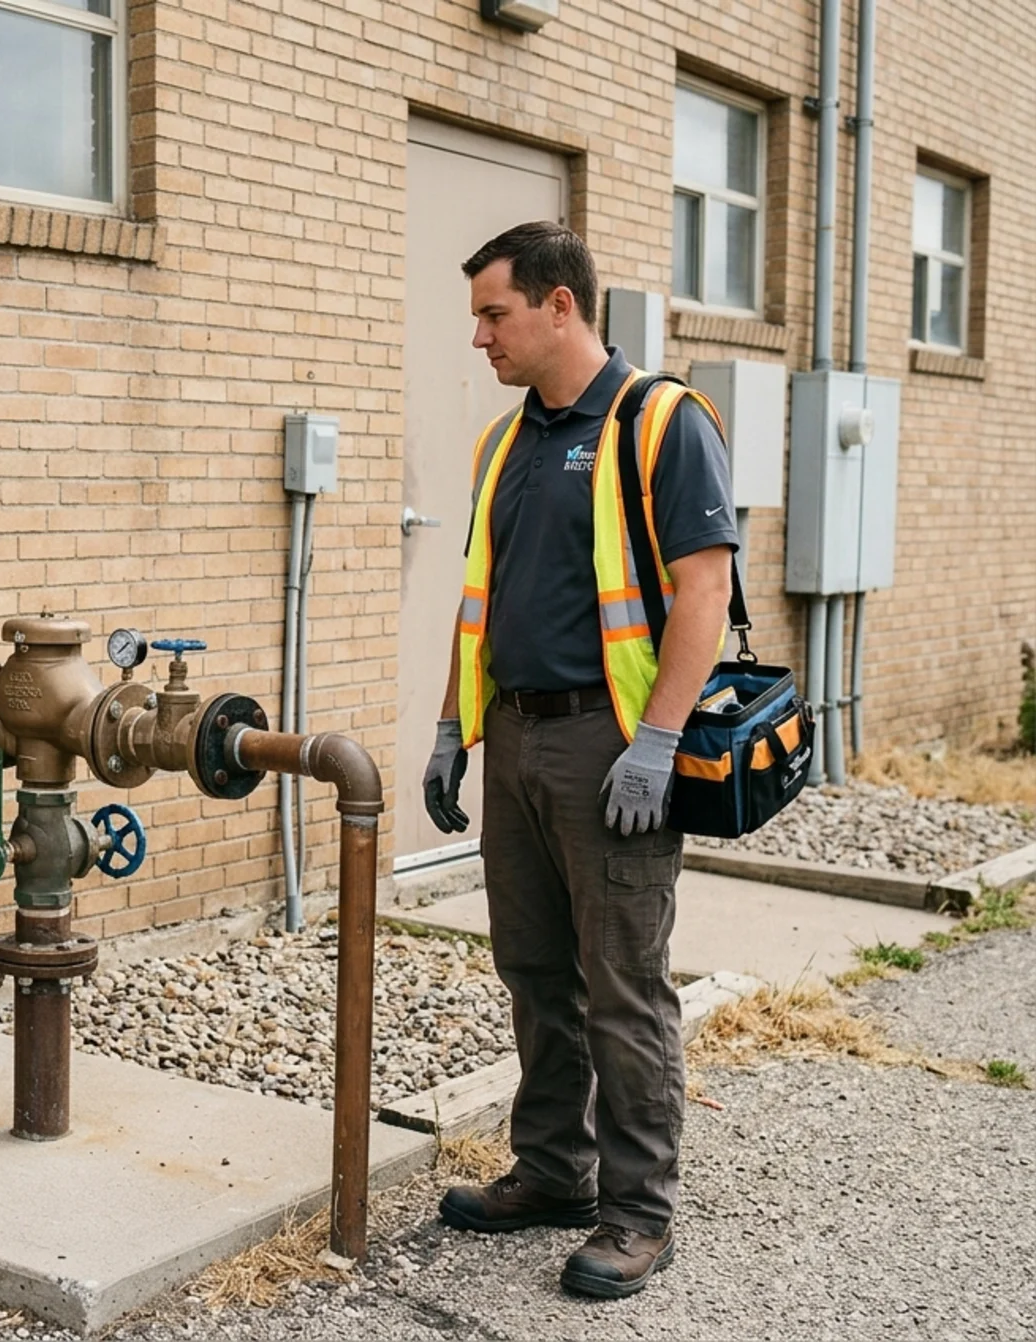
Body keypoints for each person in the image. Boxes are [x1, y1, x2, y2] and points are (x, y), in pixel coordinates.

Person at [421, 222, 736, 1299]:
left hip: (610, 744)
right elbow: (478, 601)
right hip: (510, 733)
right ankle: (555, 1171)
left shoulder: (659, 423)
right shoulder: (502, 444)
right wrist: (447, 729)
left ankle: (637, 1213)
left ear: (560, 305)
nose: (478, 338)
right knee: (532, 972)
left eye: (492, 313)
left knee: (622, 986)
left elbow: (703, 591)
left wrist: (654, 742)